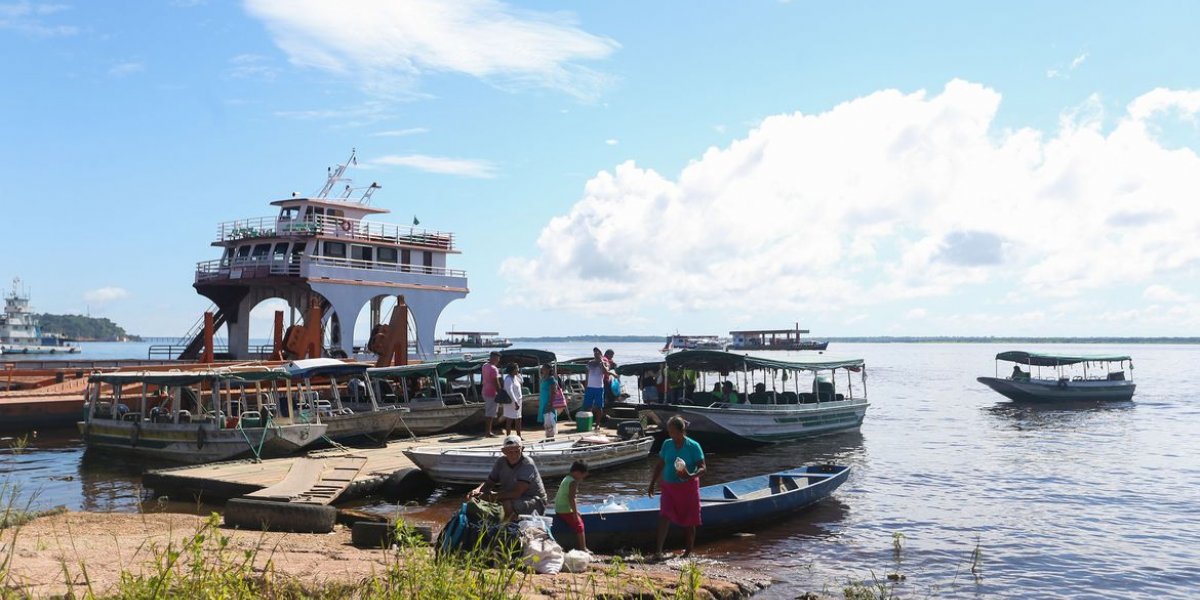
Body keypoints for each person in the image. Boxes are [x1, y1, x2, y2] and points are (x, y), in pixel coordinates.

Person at [648, 415, 705, 560]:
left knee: (689, 520)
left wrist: (691, 475)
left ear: (681, 431)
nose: (671, 434)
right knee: (664, 516)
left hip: (688, 487)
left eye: (673, 431)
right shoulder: (667, 444)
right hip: (668, 486)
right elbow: (660, 464)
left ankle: (688, 552)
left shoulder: (693, 446)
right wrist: (652, 483)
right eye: (669, 431)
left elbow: (703, 468)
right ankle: (658, 551)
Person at [468, 434, 549, 521]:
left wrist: (489, 497)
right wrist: (477, 491)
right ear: (504, 451)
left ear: (522, 449)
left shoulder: (527, 463)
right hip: (513, 496)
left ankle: (507, 528)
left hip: (535, 501)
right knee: (474, 499)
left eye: (517, 451)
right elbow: (489, 483)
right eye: (510, 452)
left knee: (506, 503)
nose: (514, 455)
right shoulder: (501, 462)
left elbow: (516, 493)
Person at [554, 460, 590, 552]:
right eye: (582, 476)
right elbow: (571, 498)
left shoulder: (566, 478)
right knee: (580, 525)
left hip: (559, 508)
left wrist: (575, 511)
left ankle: (583, 547)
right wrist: (574, 514)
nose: (582, 479)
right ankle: (583, 548)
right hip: (564, 509)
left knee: (578, 520)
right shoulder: (573, 482)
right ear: (577, 473)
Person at [583, 347, 612, 427]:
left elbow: (606, 372)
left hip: (599, 387)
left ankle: (597, 424)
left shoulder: (605, 362)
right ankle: (588, 423)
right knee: (588, 406)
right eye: (594, 353)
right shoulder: (590, 363)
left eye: (597, 353)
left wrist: (601, 363)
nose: (595, 354)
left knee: (599, 407)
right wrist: (586, 385)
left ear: (601, 354)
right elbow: (587, 374)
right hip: (589, 387)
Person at [538, 363, 563, 438]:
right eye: (542, 368)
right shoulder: (543, 378)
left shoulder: (551, 379)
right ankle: (548, 437)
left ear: (549, 370)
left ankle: (551, 438)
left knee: (550, 420)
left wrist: (550, 403)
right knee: (546, 421)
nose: (542, 369)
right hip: (543, 402)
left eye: (544, 368)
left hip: (549, 403)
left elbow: (554, 392)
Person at [481, 351, 503, 436]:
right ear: (494, 358)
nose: (498, 360)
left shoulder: (485, 366)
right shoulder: (494, 368)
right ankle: (488, 432)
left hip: (485, 390)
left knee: (489, 412)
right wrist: (500, 393)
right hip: (491, 392)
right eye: (498, 359)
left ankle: (489, 430)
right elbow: (496, 382)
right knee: (490, 413)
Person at [502, 363, 524, 436]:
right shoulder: (508, 379)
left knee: (518, 419)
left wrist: (518, 374)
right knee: (510, 419)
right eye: (517, 368)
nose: (518, 370)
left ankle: (519, 436)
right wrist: (515, 402)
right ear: (512, 370)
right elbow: (510, 391)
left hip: (518, 401)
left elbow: (521, 381)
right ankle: (508, 436)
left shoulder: (515, 377)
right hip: (512, 402)